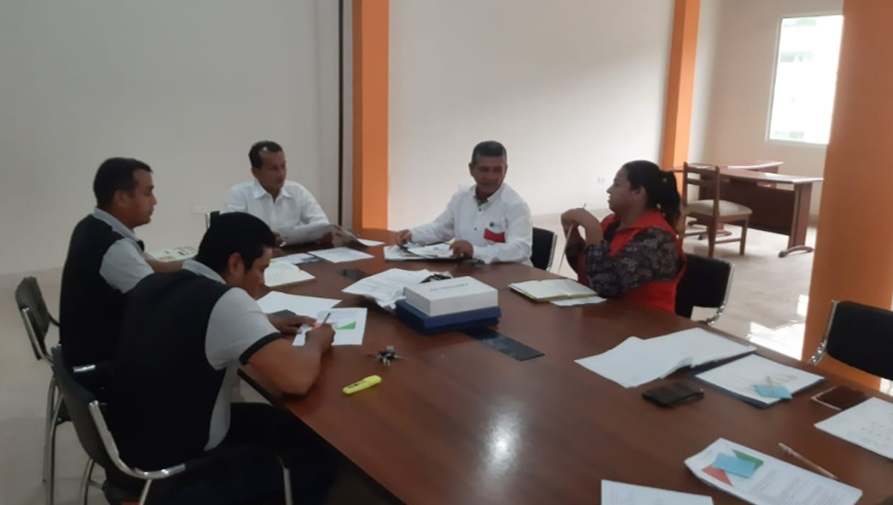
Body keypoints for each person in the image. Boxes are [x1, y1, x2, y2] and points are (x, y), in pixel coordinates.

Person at [108, 212, 338, 505]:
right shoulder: (226, 301)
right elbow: (297, 379)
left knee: (283, 424)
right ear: (235, 263)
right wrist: (316, 342)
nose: (262, 282)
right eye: (261, 269)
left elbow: (192, 321)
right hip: (176, 471)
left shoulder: (153, 284)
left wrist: (261, 321)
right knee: (318, 463)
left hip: (132, 448)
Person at [59, 157, 173, 368]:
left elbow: (149, 267)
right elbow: (158, 300)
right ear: (121, 198)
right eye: (147, 193)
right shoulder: (115, 249)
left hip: (80, 346)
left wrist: (196, 266)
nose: (154, 201)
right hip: (105, 362)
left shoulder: (91, 225)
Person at [562, 160, 685, 313]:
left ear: (638, 192)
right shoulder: (612, 222)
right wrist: (571, 231)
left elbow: (605, 286)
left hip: (644, 321)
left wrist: (592, 228)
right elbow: (587, 270)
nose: (609, 190)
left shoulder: (657, 238)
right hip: (607, 314)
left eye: (617, 184)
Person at [396, 140, 533, 263]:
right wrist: (412, 234)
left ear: (506, 170)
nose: (491, 177)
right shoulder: (461, 197)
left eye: (497, 170)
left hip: (509, 275)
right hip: (469, 270)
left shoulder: (515, 205)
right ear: (471, 169)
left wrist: (475, 251)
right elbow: (441, 229)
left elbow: (521, 249)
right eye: (484, 170)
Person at [223, 140, 330, 246]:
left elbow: (322, 224)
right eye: (273, 168)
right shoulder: (239, 194)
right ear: (255, 172)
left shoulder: (297, 190)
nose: (281, 174)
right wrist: (264, 238)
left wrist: (322, 234)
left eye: (283, 166)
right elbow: (230, 234)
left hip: (293, 252)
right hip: (256, 255)